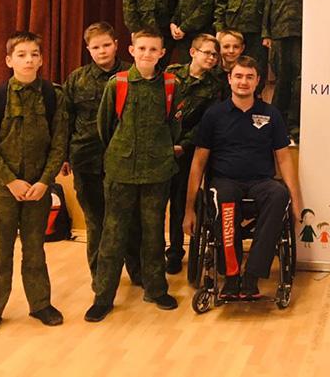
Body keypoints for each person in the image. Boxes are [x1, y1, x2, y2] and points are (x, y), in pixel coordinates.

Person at [0, 31, 68, 337]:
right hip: (4, 190)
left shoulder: (53, 96)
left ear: (41, 60)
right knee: (0, 251)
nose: (28, 60)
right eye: (22, 55)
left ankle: (40, 304)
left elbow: (59, 144)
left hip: (38, 190)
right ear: (9, 60)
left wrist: (44, 182)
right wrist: (10, 181)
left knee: (35, 250)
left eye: (34, 54)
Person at [184, 56, 304, 300]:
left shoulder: (270, 114)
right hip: (225, 181)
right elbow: (198, 162)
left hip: (261, 181)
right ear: (229, 79)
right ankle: (231, 277)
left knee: (278, 194)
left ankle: (252, 276)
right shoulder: (214, 115)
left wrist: (297, 201)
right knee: (225, 199)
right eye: (238, 76)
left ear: (258, 81)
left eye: (250, 77)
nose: (243, 82)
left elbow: (283, 159)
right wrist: (189, 208)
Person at [85, 30, 181, 322]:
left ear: (162, 53)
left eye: (153, 49)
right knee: (113, 235)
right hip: (121, 172)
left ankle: (156, 289)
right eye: (142, 48)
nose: (147, 54)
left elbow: (174, 127)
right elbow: (105, 127)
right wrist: (121, 152)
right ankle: (103, 297)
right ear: (131, 50)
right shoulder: (119, 83)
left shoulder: (171, 85)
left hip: (157, 172)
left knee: (154, 233)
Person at [62, 22, 141, 288]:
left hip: (125, 160)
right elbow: (65, 119)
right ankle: (101, 278)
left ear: (116, 45)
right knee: (96, 222)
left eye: (107, 45)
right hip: (86, 159)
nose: (102, 51)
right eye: (96, 47)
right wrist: (64, 155)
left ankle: (138, 272)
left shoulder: (133, 74)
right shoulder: (77, 79)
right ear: (88, 50)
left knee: (129, 219)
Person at [163, 33, 221, 274]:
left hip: (186, 150)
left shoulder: (214, 85)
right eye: (207, 52)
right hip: (160, 147)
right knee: (155, 206)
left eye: (215, 55)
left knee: (180, 203)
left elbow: (206, 123)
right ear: (193, 52)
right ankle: (152, 254)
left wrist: (183, 145)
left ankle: (175, 253)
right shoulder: (171, 73)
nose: (212, 58)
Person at [263, 0, 305, 144]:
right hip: (278, 32)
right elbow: (268, 2)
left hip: (301, 32)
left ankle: (295, 126)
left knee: (299, 80)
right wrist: (266, 33)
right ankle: (277, 125)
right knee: (281, 79)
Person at [216, 29, 245, 98]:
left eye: (236, 47)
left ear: (242, 48)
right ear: (218, 48)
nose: (231, 51)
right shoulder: (211, 73)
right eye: (226, 47)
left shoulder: (248, 73)